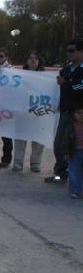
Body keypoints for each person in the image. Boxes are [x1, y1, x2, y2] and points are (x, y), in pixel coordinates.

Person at [46, 39, 83, 183]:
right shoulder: (66, 68)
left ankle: (76, 177)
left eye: (72, 50)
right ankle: (60, 173)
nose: (69, 53)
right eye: (68, 51)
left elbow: (78, 90)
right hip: (65, 111)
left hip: (78, 113)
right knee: (60, 144)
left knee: (77, 146)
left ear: (81, 51)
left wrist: (65, 84)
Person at [13, 51, 45, 172]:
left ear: (39, 62)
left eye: (35, 59)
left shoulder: (45, 77)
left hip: (38, 112)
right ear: (27, 61)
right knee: (20, 139)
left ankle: (35, 163)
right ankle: (18, 162)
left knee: (38, 139)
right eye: (30, 58)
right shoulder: (20, 75)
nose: (32, 60)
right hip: (22, 112)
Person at [61, 102, 83, 199]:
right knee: (73, 171)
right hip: (74, 152)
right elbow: (66, 141)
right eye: (79, 113)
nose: (81, 115)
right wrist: (66, 152)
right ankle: (76, 190)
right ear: (74, 114)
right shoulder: (71, 126)